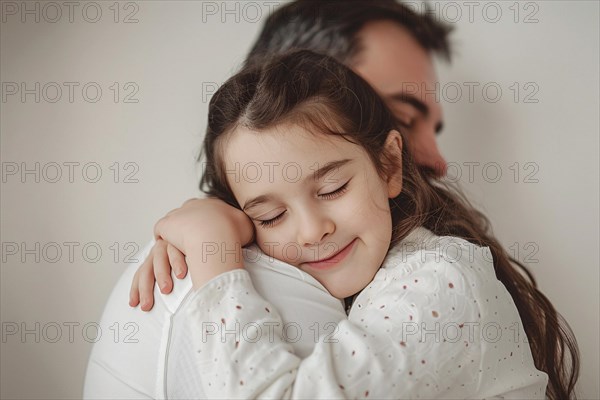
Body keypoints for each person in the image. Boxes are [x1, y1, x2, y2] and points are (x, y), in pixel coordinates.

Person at [149, 49, 560, 398]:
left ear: (388, 165)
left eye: (332, 188)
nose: (312, 231)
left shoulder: (440, 284)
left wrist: (212, 249)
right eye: (270, 216)